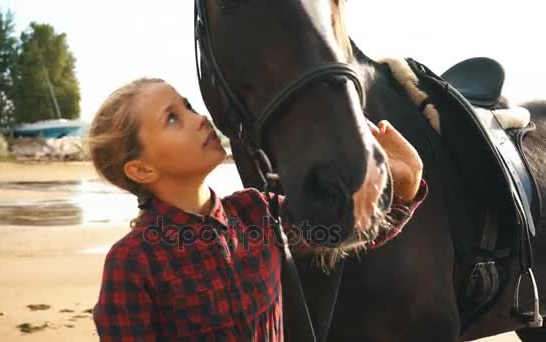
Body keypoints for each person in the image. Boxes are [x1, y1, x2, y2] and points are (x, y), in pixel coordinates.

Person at [88, 77, 427, 341]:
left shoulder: (256, 213)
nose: (199, 119)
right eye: (173, 119)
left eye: (189, 106)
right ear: (142, 170)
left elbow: (345, 232)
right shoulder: (133, 262)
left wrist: (404, 185)